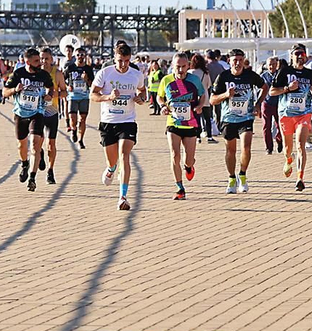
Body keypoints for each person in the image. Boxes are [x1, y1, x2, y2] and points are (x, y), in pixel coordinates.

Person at [92, 41, 147, 211]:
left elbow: (142, 91)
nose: (123, 65)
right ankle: (110, 169)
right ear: (114, 59)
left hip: (128, 121)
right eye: (120, 61)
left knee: (125, 156)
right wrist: (108, 97)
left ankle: (123, 197)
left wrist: (141, 98)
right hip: (108, 121)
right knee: (113, 160)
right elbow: (93, 95)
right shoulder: (105, 73)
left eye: (126, 61)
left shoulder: (136, 74)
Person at [269, 44, 312, 192]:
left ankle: (300, 178)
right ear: (291, 56)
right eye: (297, 54)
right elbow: (272, 92)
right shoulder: (284, 72)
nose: (300, 57)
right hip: (286, 114)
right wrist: (287, 89)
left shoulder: (310, 73)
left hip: (304, 113)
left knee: (300, 145)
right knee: (288, 148)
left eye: (302, 54)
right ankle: (288, 159)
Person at [210, 49, 264, 192]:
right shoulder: (223, 77)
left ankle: (243, 175)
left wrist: (258, 103)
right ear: (229, 61)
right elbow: (212, 100)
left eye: (240, 60)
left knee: (246, 147)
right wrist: (226, 95)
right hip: (228, 118)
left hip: (246, 117)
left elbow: (264, 87)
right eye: (235, 60)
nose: (238, 63)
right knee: (231, 150)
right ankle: (231, 178)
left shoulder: (250, 76)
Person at [3, 47, 54, 192]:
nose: (40, 63)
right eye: (36, 61)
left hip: (37, 112)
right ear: (27, 61)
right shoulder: (18, 74)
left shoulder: (43, 75)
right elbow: (4, 92)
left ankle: (32, 178)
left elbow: (51, 88)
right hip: (20, 113)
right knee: (21, 145)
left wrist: (49, 95)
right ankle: (25, 164)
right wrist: (15, 90)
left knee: (35, 145)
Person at [158, 51, 206, 199]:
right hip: (173, 123)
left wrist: (200, 106)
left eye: (183, 66)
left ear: (188, 66)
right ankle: (180, 188)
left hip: (190, 123)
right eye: (177, 66)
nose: (180, 70)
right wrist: (163, 106)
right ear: (173, 65)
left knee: (188, 159)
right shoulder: (166, 80)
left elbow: (203, 95)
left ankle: (189, 166)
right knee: (174, 155)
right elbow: (160, 97)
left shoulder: (194, 80)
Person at [35, 47, 68, 185]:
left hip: (52, 112)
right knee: (37, 142)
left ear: (51, 59)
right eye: (41, 59)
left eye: (46, 59)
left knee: (51, 144)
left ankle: (50, 170)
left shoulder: (57, 74)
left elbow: (65, 93)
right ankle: (40, 154)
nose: (43, 62)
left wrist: (56, 94)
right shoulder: (34, 74)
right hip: (37, 112)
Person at [64, 46, 96, 149]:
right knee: (73, 119)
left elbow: (92, 84)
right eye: (78, 55)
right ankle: (73, 131)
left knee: (82, 119)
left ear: (85, 56)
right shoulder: (70, 68)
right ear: (75, 56)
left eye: (82, 55)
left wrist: (87, 79)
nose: (80, 57)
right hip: (73, 97)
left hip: (84, 96)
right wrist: (67, 86)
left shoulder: (88, 69)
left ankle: (81, 140)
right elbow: (62, 80)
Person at [260, 56, 283, 154]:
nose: (272, 66)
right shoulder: (263, 76)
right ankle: (268, 147)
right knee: (266, 126)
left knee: (280, 125)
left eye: (274, 64)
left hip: (279, 103)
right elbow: (259, 89)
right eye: (270, 64)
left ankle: (280, 140)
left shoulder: (281, 75)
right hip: (266, 103)